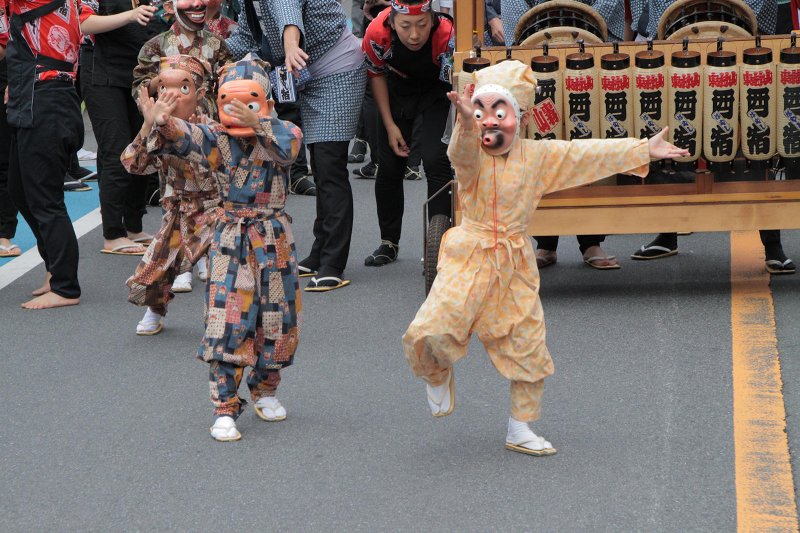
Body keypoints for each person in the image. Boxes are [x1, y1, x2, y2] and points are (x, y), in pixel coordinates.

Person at [403, 61, 689, 456]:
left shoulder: (538, 157)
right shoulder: (473, 154)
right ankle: (436, 373)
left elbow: (584, 155)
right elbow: (461, 157)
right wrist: (466, 124)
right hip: (469, 254)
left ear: (520, 118)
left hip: (514, 263)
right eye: (481, 112)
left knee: (528, 345)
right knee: (432, 331)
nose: (489, 123)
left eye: (499, 112)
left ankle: (520, 427)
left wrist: (643, 149)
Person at [145, 56, 303, 442]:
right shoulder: (215, 136)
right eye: (231, 102)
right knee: (226, 317)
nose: (238, 110)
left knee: (277, 318)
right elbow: (185, 136)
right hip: (231, 235)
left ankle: (266, 389)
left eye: (249, 101)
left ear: (267, 102)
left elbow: (289, 150)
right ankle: (225, 406)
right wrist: (161, 121)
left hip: (274, 236)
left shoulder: (284, 131)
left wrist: (258, 123)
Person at [627, 0, 794, 274]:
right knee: (676, 142)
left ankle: (772, 244)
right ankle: (668, 233)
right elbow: (654, 17)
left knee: (752, 141)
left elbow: (761, 16)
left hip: (736, 51)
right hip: (679, 50)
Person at [227, 0, 366, 291]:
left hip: (336, 66)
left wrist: (290, 46)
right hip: (303, 72)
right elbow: (246, 37)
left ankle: (333, 263)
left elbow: (287, 9)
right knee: (320, 164)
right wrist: (208, 57)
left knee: (329, 165)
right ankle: (320, 252)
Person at [122, 55, 221, 336]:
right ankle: (155, 309)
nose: (172, 96)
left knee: (224, 268)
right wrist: (147, 125)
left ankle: (220, 319)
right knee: (156, 267)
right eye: (164, 88)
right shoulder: (158, 129)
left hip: (216, 210)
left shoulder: (212, 127)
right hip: (177, 209)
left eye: (184, 88)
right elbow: (134, 164)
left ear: (200, 94)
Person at [2, 0, 85, 308]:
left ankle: (66, 287)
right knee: (20, 191)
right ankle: (54, 268)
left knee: (45, 199)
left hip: (47, 100)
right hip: (35, 95)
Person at [361, 0, 454, 266]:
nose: (414, 35)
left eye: (422, 25)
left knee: (436, 160)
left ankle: (441, 242)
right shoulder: (376, 33)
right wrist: (390, 125)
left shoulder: (447, 34)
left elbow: (457, 80)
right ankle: (388, 241)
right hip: (397, 92)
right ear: (392, 22)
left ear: (432, 19)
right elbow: (376, 75)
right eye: (405, 26)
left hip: (438, 91)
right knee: (390, 165)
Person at [81, 0, 168, 256]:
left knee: (143, 148)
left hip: (142, 73)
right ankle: (112, 233)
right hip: (103, 71)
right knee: (116, 150)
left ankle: (133, 226)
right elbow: (84, 23)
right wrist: (131, 15)